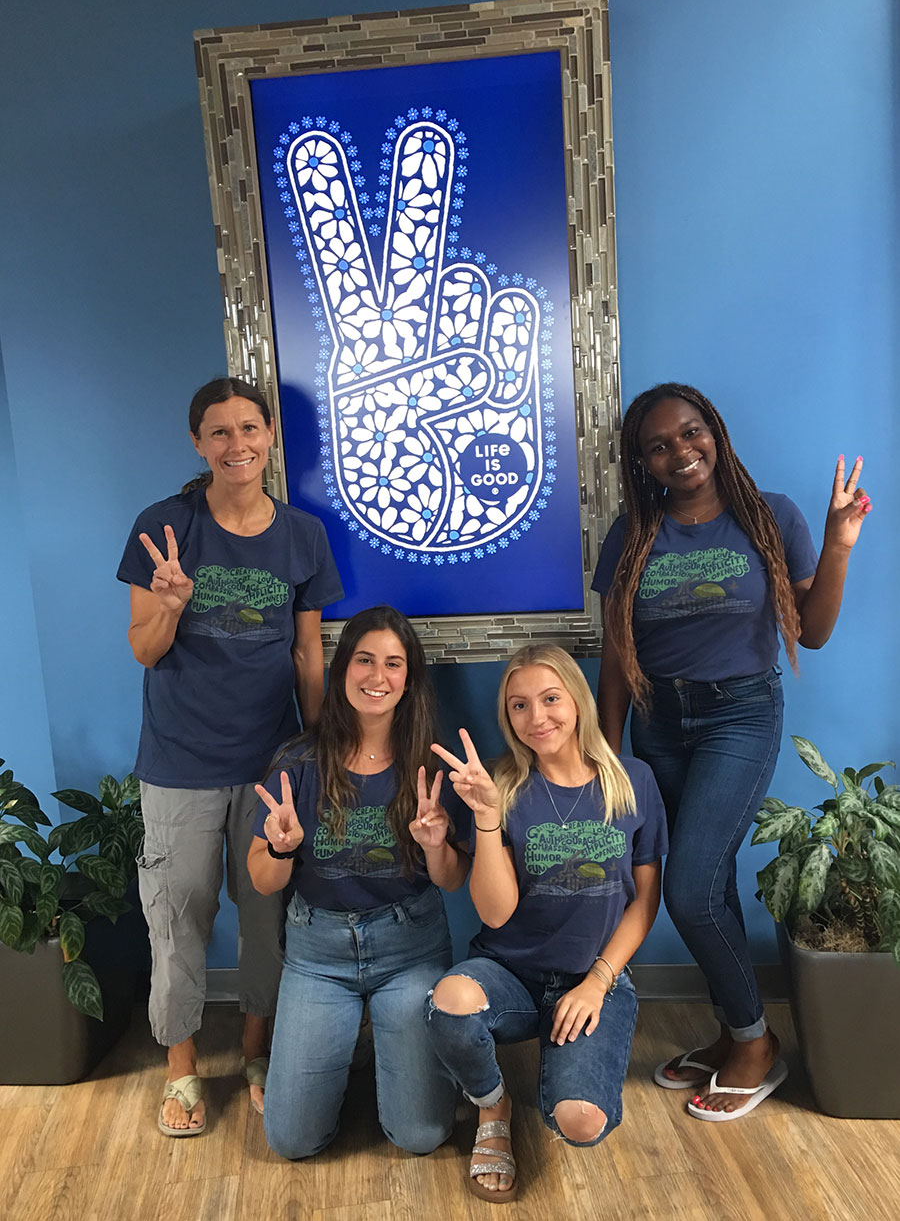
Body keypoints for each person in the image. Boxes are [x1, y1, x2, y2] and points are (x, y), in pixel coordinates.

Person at [592, 382, 872, 1122]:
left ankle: (755, 1043)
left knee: (687, 885)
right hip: (658, 721)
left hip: (739, 715)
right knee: (704, 886)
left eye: (691, 433)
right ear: (642, 461)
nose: (681, 452)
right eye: (660, 445)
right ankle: (733, 1029)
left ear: (713, 432)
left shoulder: (770, 515)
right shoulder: (633, 532)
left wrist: (839, 543)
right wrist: (608, 748)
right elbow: (617, 653)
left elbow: (810, 632)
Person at [117, 376, 343, 1136]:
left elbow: (309, 654)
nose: (236, 444)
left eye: (250, 428)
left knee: (264, 915)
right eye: (219, 432)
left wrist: (317, 750)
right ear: (197, 442)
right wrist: (173, 605)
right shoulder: (164, 527)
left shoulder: (304, 536)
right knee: (176, 914)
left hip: (269, 762)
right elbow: (145, 650)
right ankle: (180, 1068)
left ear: (270, 436)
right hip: (178, 761)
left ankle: (256, 1049)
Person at [425, 644, 667, 1203]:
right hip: (508, 972)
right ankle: (493, 1104)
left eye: (550, 699)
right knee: (450, 999)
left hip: (592, 976)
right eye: (519, 706)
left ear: (578, 702)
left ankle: (562, 1071)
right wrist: (486, 819)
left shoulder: (633, 782)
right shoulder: (500, 787)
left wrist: (598, 981)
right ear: (506, 718)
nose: (538, 718)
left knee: (581, 1123)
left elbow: (645, 901)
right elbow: (494, 912)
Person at [247, 605, 469, 1160]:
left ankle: (373, 1050)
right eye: (365, 660)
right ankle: (342, 1051)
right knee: (290, 1140)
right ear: (343, 665)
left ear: (409, 678)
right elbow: (262, 879)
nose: (377, 677)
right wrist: (281, 847)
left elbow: (454, 880)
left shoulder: (430, 766)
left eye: (393, 664)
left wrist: (437, 846)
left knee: (420, 1136)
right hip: (317, 953)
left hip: (409, 951)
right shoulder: (297, 760)